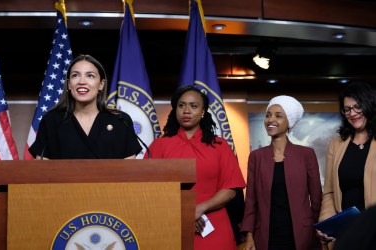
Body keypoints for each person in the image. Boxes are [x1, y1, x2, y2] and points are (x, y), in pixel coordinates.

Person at [144, 85, 246, 250]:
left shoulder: (220, 146)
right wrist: (185, 212)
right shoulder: (159, 146)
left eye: (193, 106)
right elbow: (148, 189)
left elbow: (230, 189)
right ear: (175, 109)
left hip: (214, 227)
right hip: (171, 225)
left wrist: (200, 209)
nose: (186, 110)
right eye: (181, 105)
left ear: (203, 111)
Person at [240, 95, 322, 250]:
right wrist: (249, 235)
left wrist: (320, 228)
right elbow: (251, 200)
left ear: (289, 122)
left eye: (278, 116)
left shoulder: (306, 154)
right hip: (265, 237)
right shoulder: (256, 157)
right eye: (268, 115)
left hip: (302, 236)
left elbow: (316, 199)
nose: (271, 120)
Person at [28, 54, 142, 159]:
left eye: (90, 76)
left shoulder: (121, 121)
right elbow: (41, 171)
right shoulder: (51, 120)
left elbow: (130, 172)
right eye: (75, 75)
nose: (82, 81)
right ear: (68, 84)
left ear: (101, 85)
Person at [317, 82, 376, 248]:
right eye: (347, 109)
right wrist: (326, 224)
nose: (353, 113)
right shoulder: (336, 144)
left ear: (370, 105)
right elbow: (329, 192)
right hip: (346, 234)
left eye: (358, 106)